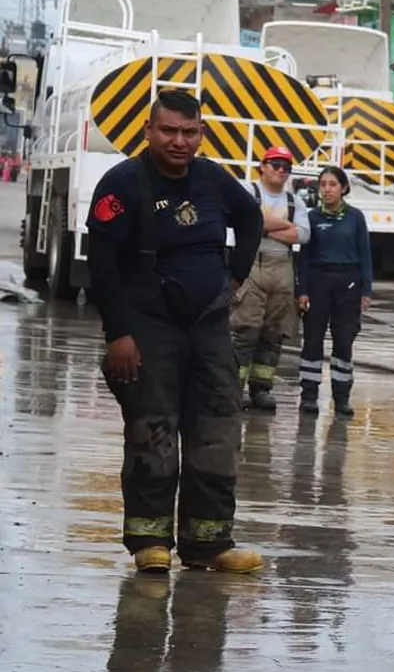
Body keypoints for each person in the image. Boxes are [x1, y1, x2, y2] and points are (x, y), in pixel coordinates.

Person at [84, 90, 265, 574]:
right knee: (153, 431)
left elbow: (250, 218)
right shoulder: (122, 184)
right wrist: (118, 334)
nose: (179, 141)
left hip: (209, 327)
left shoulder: (212, 178)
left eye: (189, 132)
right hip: (148, 327)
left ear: (201, 134)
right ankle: (149, 541)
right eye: (168, 131)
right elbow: (101, 264)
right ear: (148, 131)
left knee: (217, 431)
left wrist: (236, 275)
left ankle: (209, 543)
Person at [231, 146, 311, 412]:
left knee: (274, 333)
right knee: (245, 330)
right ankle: (234, 388)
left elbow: (302, 235)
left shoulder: (295, 201)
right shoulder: (248, 191)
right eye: (275, 164)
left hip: (282, 269)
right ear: (262, 166)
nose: (280, 170)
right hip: (252, 265)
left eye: (286, 167)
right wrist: (284, 225)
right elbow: (245, 219)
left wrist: (264, 227)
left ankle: (261, 389)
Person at [295, 166, 372, 418]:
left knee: (344, 340)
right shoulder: (312, 217)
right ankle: (309, 396)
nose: (327, 189)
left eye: (332, 184)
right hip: (318, 282)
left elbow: (365, 255)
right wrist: (302, 290)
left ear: (343, 188)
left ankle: (341, 398)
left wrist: (366, 290)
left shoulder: (355, 217)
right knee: (312, 339)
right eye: (323, 184)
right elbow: (304, 258)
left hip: (348, 283)